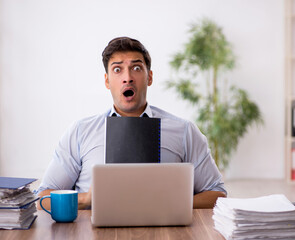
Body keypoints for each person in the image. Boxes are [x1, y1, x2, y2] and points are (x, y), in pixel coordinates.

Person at [36, 37, 226, 210]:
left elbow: (218, 194)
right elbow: (42, 198)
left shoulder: (184, 131)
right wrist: (86, 199)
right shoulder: (80, 131)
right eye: (117, 70)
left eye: (136, 68)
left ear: (149, 77)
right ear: (107, 81)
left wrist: (172, 201)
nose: (127, 77)